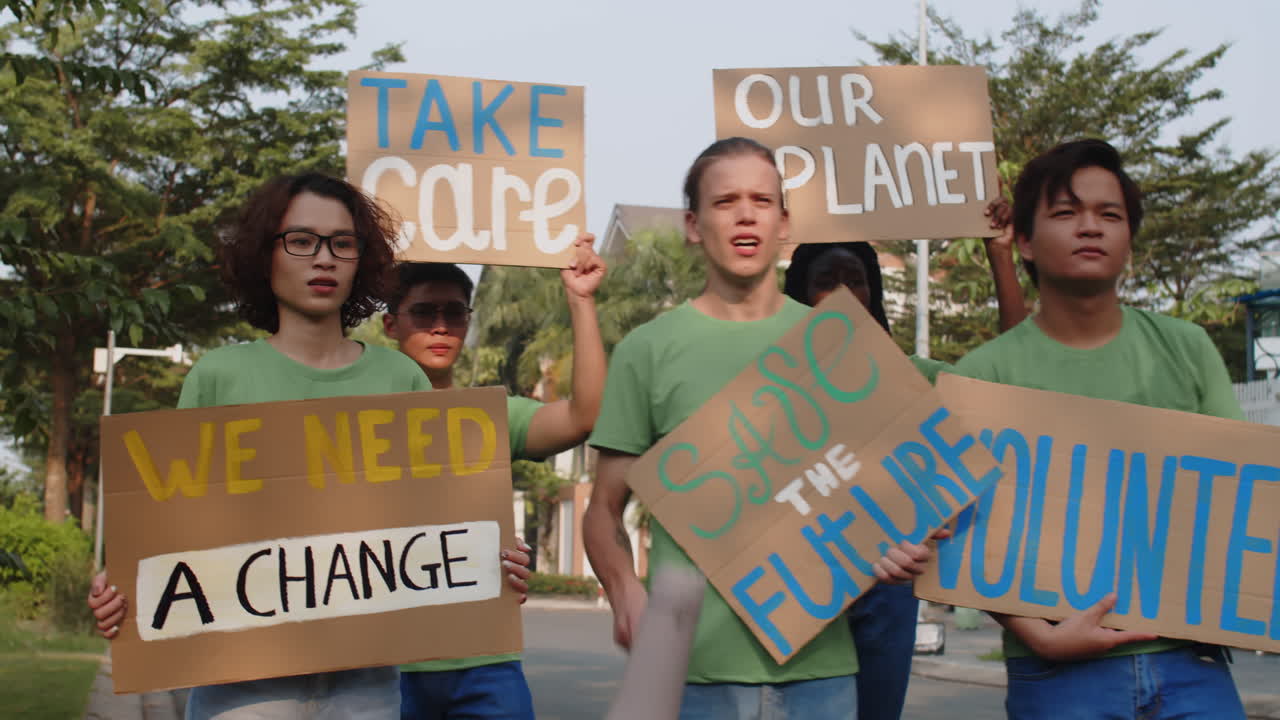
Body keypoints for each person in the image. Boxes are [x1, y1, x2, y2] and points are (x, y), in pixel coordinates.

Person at [86, 173, 532, 719]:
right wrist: (122, 590)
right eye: (301, 240)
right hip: (240, 686)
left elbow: (440, 526)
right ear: (265, 255)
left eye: (342, 244)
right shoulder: (219, 376)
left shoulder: (401, 379)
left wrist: (496, 563)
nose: (323, 259)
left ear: (361, 260)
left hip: (367, 687)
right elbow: (175, 532)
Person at [582, 137, 938, 719]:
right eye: (726, 202)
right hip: (690, 677)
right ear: (695, 225)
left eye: (761, 200)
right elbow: (602, 512)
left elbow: (886, 491)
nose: (746, 214)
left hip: (822, 676)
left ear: (784, 222)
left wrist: (900, 545)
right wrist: (624, 589)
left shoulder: (843, 345)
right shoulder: (647, 352)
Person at [953, 139, 1247, 719]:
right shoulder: (982, 376)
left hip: (1192, 662)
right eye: (1066, 213)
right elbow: (954, 529)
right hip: (1055, 672)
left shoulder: (1186, 347)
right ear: (1027, 243)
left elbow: (1244, 490)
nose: (1091, 227)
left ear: (1129, 242)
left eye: (1109, 215)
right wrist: (1038, 634)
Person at [780, 208, 1025, 720]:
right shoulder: (773, 388)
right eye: (826, 282)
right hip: (799, 581)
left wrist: (1000, 255)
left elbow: (1009, 380)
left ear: (874, 294)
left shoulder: (918, 377)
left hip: (890, 590)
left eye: (857, 281)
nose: (844, 292)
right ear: (800, 295)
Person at [382, 236, 606, 720]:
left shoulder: (491, 417)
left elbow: (585, 415)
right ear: (389, 324)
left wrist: (581, 300)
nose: (441, 325)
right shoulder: (351, 423)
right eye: (423, 312)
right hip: (383, 665)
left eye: (455, 312)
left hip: (484, 658)